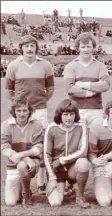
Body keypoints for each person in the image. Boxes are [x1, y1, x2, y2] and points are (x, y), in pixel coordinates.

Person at [5, 35, 54, 195]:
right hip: (20, 112)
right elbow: (9, 90)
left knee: (41, 144)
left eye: (32, 45)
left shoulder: (45, 65)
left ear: (36, 48)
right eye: (26, 46)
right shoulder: (13, 65)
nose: (29, 48)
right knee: (19, 142)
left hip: (39, 110)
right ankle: (20, 178)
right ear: (22, 48)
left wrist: (41, 101)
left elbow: (51, 88)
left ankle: (40, 182)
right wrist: (18, 106)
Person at [43, 99, 90, 208]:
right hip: (56, 171)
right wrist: (52, 178)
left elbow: (83, 151)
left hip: (72, 168)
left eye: (71, 114)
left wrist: (61, 160)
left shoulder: (81, 126)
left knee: (83, 162)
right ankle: (63, 188)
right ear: (60, 115)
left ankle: (80, 196)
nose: (68, 118)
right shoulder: (51, 128)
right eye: (65, 114)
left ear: (76, 114)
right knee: (56, 203)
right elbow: (46, 154)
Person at [1, 95, 44, 206]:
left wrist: (23, 156)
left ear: (30, 111)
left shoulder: (37, 124)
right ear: (14, 111)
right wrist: (24, 157)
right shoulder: (6, 125)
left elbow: (39, 148)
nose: (21, 114)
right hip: (13, 164)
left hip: (32, 164)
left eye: (25, 110)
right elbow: (4, 148)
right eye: (18, 110)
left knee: (22, 166)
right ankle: (22, 187)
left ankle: (26, 195)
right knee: (10, 202)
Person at [63, 32, 110, 126]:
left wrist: (84, 85)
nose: (86, 50)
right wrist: (92, 92)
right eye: (83, 47)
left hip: (96, 110)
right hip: (76, 110)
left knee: (95, 140)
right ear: (78, 48)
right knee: (79, 140)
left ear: (93, 47)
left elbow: (105, 85)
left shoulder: (100, 66)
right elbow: (70, 89)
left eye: (88, 46)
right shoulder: (70, 66)